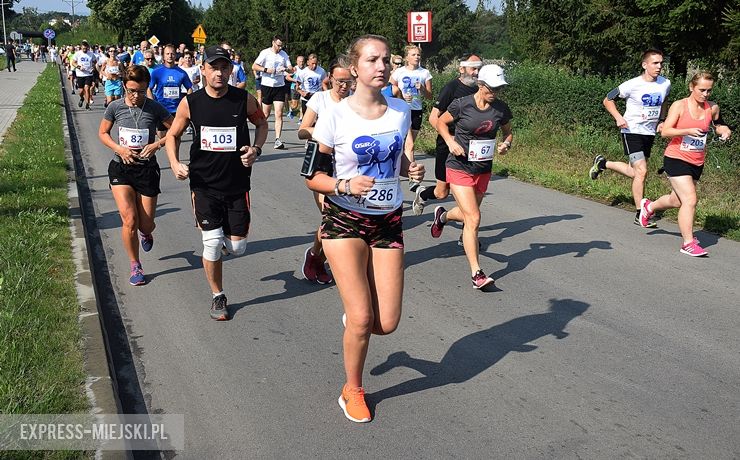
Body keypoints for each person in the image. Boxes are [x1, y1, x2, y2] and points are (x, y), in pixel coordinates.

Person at [306, 35, 425, 423]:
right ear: (354, 67)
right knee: (361, 318)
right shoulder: (334, 115)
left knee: (385, 323)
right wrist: (342, 185)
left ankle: (355, 324)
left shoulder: (401, 110)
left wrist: (410, 170)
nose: (382, 66)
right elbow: (312, 176)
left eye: (386, 60)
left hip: (388, 220)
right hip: (344, 220)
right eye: (373, 59)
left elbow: (395, 162)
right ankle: (352, 389)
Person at [165, 46, 268, 321]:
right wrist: (174, 163)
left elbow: (262, 124)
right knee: (210, 243)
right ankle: (217, 296)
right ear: (203, 70)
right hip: (203, 185)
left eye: (224, 67)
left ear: (230, 70)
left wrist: (255, 150)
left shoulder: (242, 99)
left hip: (237, 185)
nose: (219, 73)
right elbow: (173, 135)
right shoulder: (191, 102)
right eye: (213, 67)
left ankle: (223, 242)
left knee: (237, 248)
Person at [431, 64, 513, 290]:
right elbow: (440, 122)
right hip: (458, 166)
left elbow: (508, 131)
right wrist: (450, 141)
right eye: (492, 87)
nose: (495, 92)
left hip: (483, 169)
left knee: (469, 215)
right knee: (474, 218)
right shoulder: (461, 104)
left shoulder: (501, 109)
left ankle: (443, 217)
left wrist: (506, 144)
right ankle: (476, 273)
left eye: (499, 88)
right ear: (481, 84)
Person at [639, 72, 731, 257]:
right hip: (676, 158)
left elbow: (718, 124)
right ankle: (688, 243)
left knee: (676, 200)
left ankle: (649, 207)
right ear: (691, 87)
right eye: (702, 90)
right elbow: (665, 131)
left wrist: (724, 130)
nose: (706, 94)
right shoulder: (680, 105)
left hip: (697, 160)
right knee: (690, 199)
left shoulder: (712, 108)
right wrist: (687, 130)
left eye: (709, 90)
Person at [98, 65, 174, 285]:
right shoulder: (115, 107)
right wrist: (119, 149)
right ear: (124, 86)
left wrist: (157, 144)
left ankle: (146, 234)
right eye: (131, 90)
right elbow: (103, 133)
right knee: (129, 219)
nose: (136, 96)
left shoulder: (154, 108)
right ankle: (135, 265)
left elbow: (174, 130)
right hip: (121, 168)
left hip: (147, 169)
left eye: (141, 91)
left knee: (145, 224)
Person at [589, 49, 671, 227]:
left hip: (649, 132)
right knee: (641, 172)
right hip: (631, 130)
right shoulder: (632, 85)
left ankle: (603, 163)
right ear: (645, 65)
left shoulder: (665, 84)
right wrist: (619, 118)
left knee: (635, 172)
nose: (659, 67)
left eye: (661, 63)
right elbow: (607, 100)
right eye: (655, 63)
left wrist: (662, 120)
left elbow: (664, 101)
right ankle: (640, 213)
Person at [297, 55, 352, 285]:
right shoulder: (320, 99)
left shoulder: (356, 102)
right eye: (339, 80)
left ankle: (315, 254)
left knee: (338, 219)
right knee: (329, 216)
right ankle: (318, 259)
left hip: (348, 166)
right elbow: (302, 130)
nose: (343, 86)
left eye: (348, 81)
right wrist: (322, 131)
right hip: (321, 164)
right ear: (329, 78)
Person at [413, 55, 482, 217]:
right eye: (473, 68)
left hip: (472, 148)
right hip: (448, 145)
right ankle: (423, 195)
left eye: (479, 68)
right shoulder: (451, 88)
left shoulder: (480, 89)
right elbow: (433, 118)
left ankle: (467, 231)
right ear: (462, 69)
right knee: (442, 192)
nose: (477, 72)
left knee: (470, 192)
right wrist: (450, 140)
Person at [390, 45, 433, 192]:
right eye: (413, 55)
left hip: (416, 110)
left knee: (410, 144)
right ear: (407, 57)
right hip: (400, 110)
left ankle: (402, 168)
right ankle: (412, 179)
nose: (416, 57)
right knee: (409, 145)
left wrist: (422, 88)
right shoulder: (399, 72)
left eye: (418, 55)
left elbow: (430, 95)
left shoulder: (425, 73)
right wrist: (401, 95)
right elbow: (390, 90)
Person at [252, 35, 293, 149]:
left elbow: (291, 67)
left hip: (279, 86)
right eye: (278, 45)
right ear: (273, 43)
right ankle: (259, 134)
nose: (280, 48)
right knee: (265, 114)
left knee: (279, 113)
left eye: (281, 46)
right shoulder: (265, 53)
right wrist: (266, 70)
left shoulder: (283, 54)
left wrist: (286, 69)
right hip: (267, 85)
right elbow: (254, 66)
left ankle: (277, 140)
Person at [148, 44, 192, 129]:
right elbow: (149, 88)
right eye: (167, 54)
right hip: (161, 108)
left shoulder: (181, 73)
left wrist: (186, 103)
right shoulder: (157, 72)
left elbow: (189, 88)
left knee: (176, 137)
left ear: (175, 55)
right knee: (162, 138)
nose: (170, 56)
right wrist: (152, 103)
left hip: (177, 110)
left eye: (172, 54)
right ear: (163, 56)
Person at [295, 54, 326, 119]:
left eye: (316, 64)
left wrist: (325, 94)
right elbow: (297, 87)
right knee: (307, 119)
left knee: (318, 119)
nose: (314, 66)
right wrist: (302, 93)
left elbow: (325, 83)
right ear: (308, 62)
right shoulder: (303, 72)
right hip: (307, 98)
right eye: (312, 63)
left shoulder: (322, 71)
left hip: (318, 97)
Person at [72, 40, 98, 110]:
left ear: (88, 48)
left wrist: (93, 67)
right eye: (83, 48)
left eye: (86, 48)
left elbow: (95, 62)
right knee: (81, 91)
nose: (85, 50)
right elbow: (73, 62)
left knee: (87, 88)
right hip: (80, 74)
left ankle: (87, 104)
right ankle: (81, 98)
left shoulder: (91, 54)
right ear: (81, 47)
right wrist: (79, 67)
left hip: (88, 74)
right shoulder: (77, 54)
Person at [288, 55, 305, 120]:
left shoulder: (306, 69)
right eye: (300, 61)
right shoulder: (294, 69)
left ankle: (301, 119)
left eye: (303, 61)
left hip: (303, 88)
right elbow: (287, 77)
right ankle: (291, 109)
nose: (301, 63)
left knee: (303, 104)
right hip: (294, 87)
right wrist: (295, 80)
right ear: (297, 62)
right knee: (295, 105)